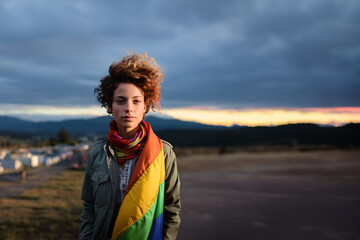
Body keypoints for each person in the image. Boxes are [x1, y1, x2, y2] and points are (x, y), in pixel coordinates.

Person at [79, 53, 181, 240]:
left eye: (136, 101)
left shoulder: (164, 153)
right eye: (120, 100)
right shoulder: (97, 153)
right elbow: (89, 209)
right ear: (110, 105)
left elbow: (171, 210)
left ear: (145, 106)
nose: (129, 108)